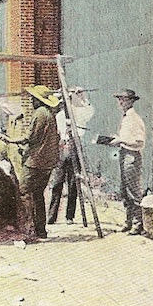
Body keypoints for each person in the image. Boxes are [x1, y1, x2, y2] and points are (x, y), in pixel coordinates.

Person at [1, 85, 60, 240]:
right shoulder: (49, 114)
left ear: (38, 100)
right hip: (47, 162)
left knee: (24, 192)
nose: (31, 101)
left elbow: (29, 137)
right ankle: (41, 230)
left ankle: (29, 229)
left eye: (33, 98)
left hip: (36, 162)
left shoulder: (39, 114)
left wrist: (10, 140)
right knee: (38, 195)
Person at [48, 86, 94, 225]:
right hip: (63, 147)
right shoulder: (59, 116)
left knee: (73, 183)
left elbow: (90, 112)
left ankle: (69, 216)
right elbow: (57, 134)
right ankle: (52, 216)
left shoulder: (79, 113)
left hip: (75, 146)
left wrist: (83, 97)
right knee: (57, 183)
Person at [109, 89, 146, 235]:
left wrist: (121, 140)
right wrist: (117, 139)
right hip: (124, 154)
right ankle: (129, 221)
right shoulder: (125, 118)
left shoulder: (135, 119)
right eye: (119, 99)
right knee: (124, 190)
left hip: (132, 156)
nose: (120, 102)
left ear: (131, 101)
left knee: (133, 190)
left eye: (123, 100)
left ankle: (138, 223)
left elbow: (139, 142)